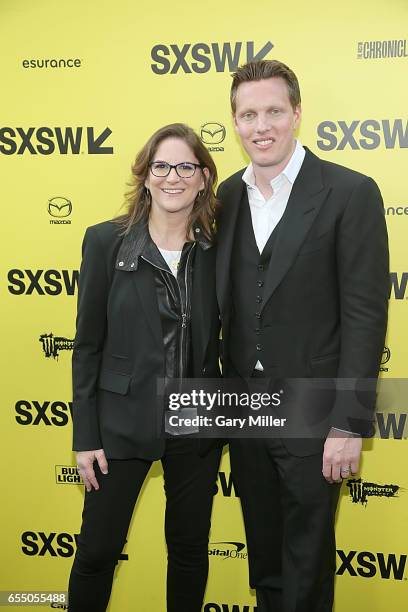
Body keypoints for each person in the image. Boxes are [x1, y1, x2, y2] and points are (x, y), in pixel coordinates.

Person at [216, 60, 389, 612]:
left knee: (308, 567)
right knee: (264, 562)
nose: (260, 125)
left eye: (272, 111)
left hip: (316, 415)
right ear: (236, 123)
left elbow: (365, 314)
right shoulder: (225, 197)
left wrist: (348, 423)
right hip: (246, 409)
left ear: (296, 114)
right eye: (248, 114)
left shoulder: (349, 191)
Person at [68, 123, 222, 612]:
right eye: (161, 166)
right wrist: (85, 435)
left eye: (185, 167)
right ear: (146, 175)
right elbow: (87, 346)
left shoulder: (217, 252)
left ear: (202, 178)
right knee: (96, 551)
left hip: (196, 425)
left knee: (190, 551)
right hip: (119, 423)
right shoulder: (105, 243)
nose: (172, 177)